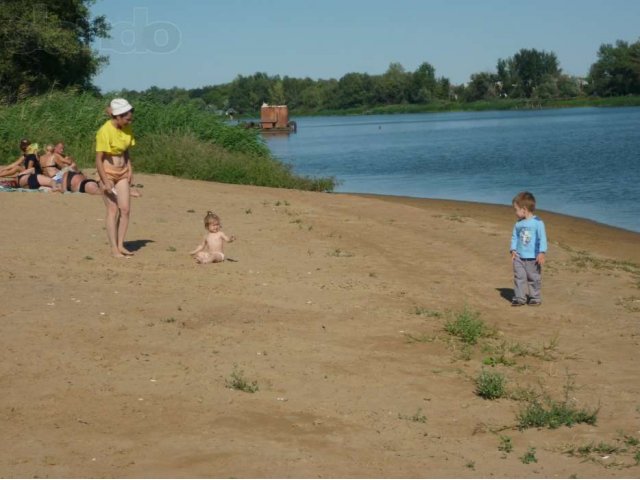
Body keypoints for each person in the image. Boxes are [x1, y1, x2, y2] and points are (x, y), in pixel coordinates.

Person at [95, 98, 137, 257]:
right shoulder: (104, 131)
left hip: (122, 172)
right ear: (118, 116)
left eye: (130, 119)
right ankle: (113, 248)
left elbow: (126, 151)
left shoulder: (127, 129)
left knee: (125, 209)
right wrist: (105, 181)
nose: (129, 121)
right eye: (126, 119)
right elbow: (98, 159)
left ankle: (121, 245)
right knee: (112, 209)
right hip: (107, 172)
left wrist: (130, 168)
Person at [509, 191, 547, 306]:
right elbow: (514, 237)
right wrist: (513, 250)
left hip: (533, 257)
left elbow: (542, 238)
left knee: (533, 278)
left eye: (516, 209)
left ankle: (534, 297)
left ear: (524, 209)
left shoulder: (538, 223)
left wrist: (542, 252)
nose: (515, 212)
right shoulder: (518, 224)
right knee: (519, 277)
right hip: (519, 257)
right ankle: (520, 298)